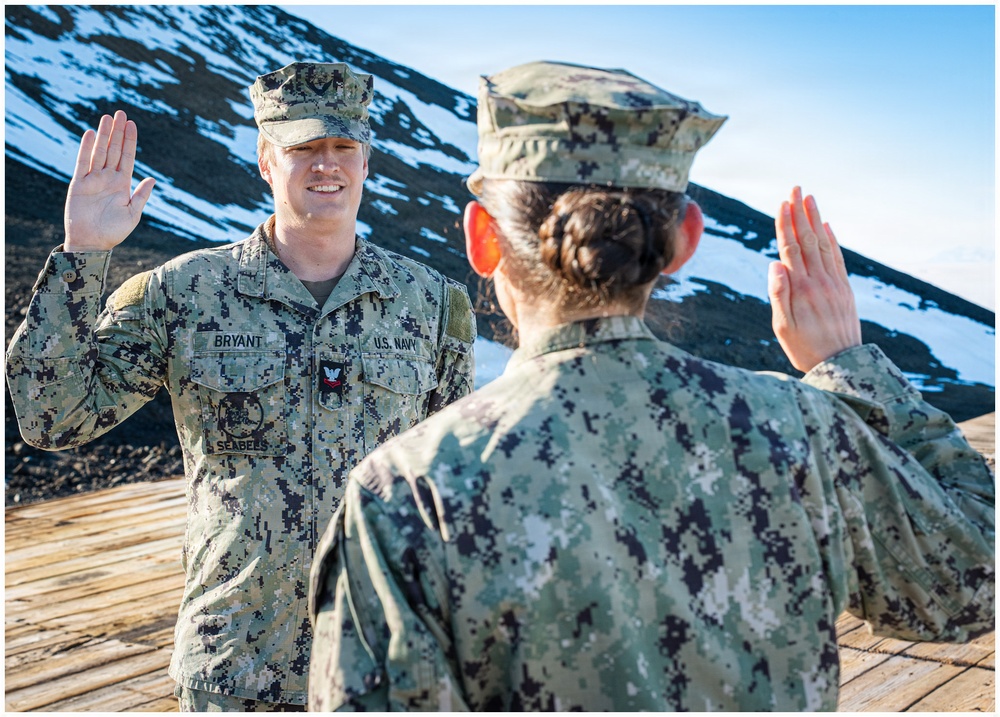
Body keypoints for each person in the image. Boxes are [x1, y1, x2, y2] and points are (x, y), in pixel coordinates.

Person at [306, 60, 995, 711]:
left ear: (482, 239)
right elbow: (974, 579)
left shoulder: (406, 490)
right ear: (683, 241)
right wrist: (850, 365)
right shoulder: (803, 427)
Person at [5, 61, 476, 711]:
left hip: (386, 668)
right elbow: (53, 417)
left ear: (366, 161)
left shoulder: (432, 305)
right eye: (303, 147)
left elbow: (451, 494)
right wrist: (83, 252)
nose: (326, 164)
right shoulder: (185, 292)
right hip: (233, 670)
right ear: (264, 158)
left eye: (343, 147)